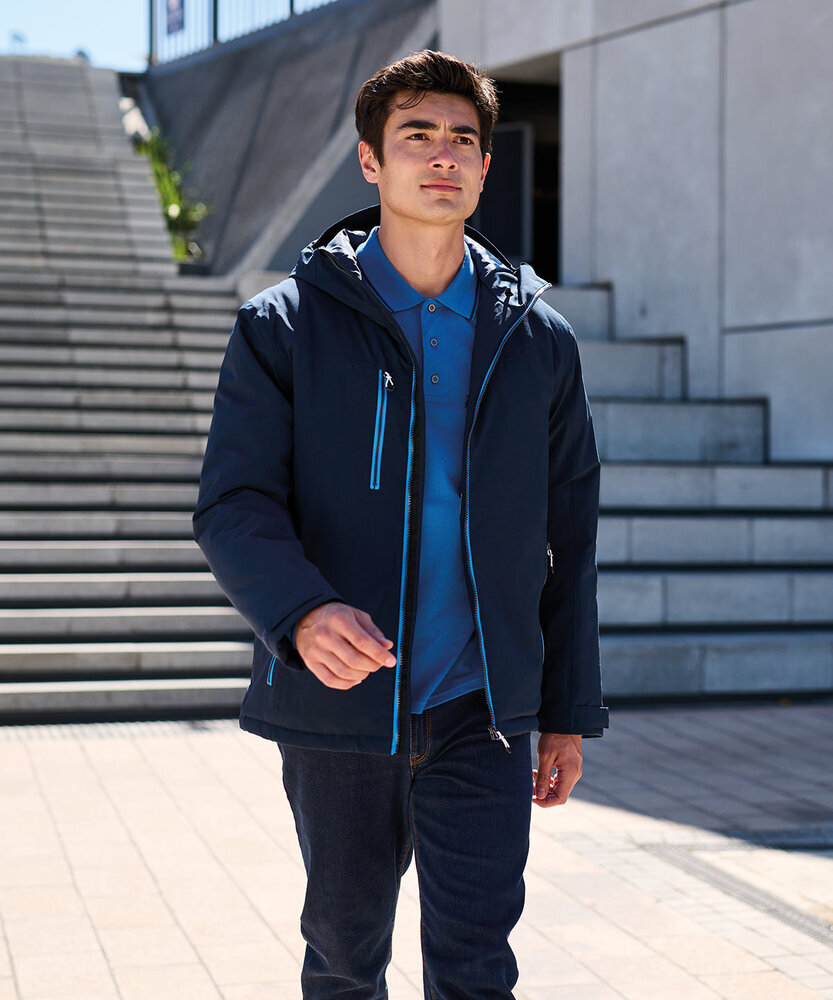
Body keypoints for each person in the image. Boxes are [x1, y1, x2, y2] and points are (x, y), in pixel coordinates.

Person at [194, 48, 608, 1000]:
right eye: (416, 134)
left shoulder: (537, 341)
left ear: (485, 168)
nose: (442, 154)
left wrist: (565, 713)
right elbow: (233, 502)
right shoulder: (284, 325)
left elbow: (570, 534)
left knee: (477, 965)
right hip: (342, 705)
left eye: (462, 138)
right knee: (345, 956)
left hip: (481, 708)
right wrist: (300, 613)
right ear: (370, 161)